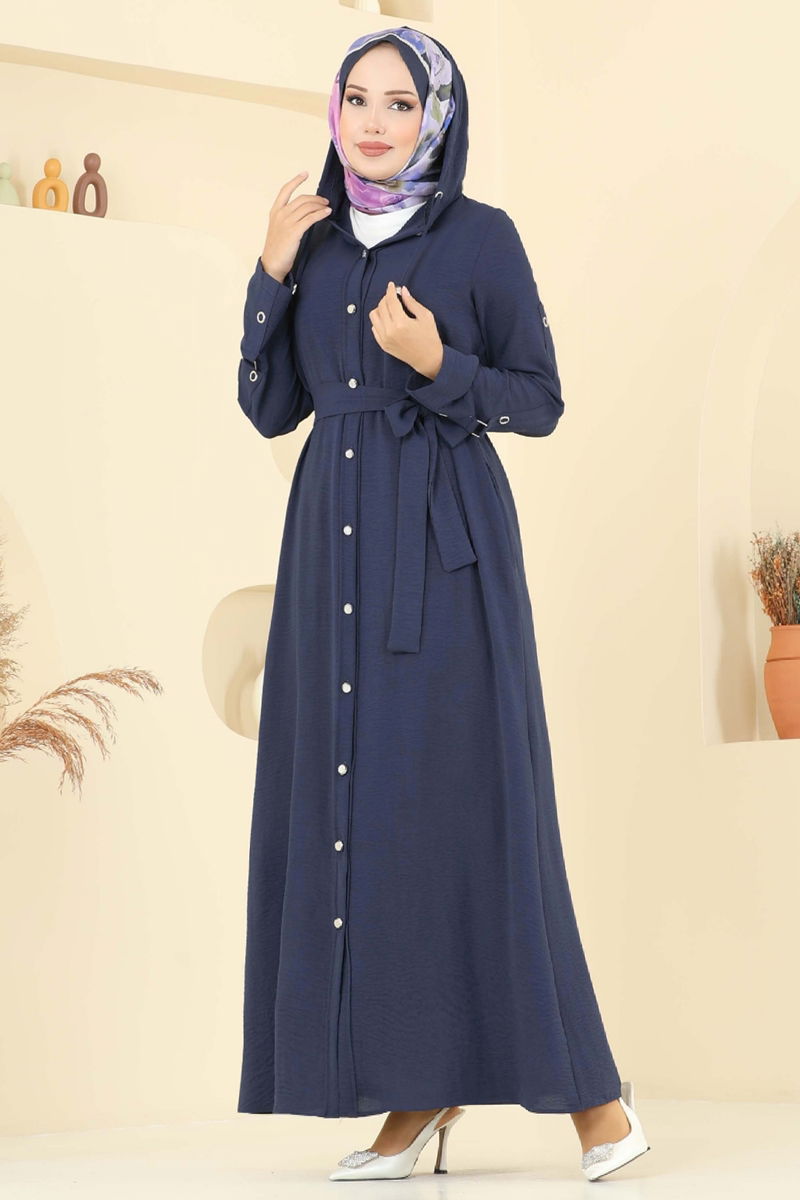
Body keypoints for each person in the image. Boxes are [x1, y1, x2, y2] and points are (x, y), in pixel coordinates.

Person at [235, 24, 651, 1184]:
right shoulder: (313, 243)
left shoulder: (479, 237)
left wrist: (435, 365)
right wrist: (268, 276)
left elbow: (538, 400)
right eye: (356, 99)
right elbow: (269, 411)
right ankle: (413, 1095)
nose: (373, 122)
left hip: (445, 557)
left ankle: (596, 1103)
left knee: (475, 814)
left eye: (400, 102)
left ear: (436, 119)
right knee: (358, 818)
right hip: (331, 561)